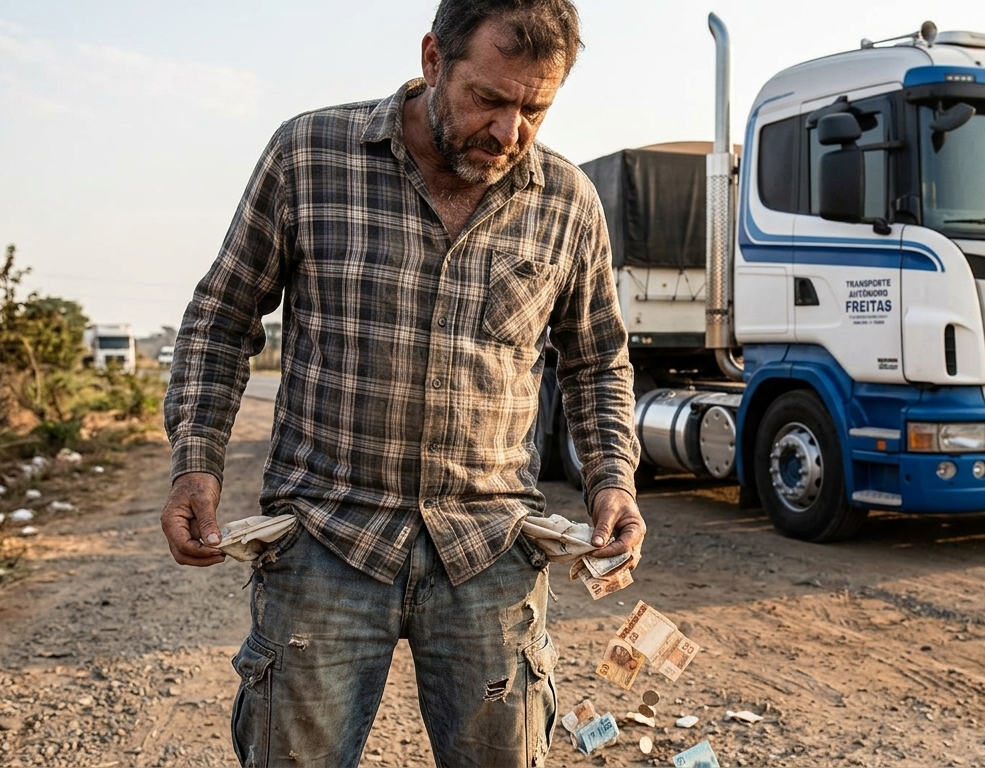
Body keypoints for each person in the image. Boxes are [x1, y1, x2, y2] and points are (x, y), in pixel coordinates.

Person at [158, 1, 644, 765]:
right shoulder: (309, 155)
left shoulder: (567, 201)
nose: (510, 132)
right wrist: (196, 464)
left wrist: (612, 481)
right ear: (432, 60)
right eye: (489, 98)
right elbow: (221, 320)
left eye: (535, 109)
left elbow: (595, 362)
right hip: (326, 542)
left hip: (490, 551)